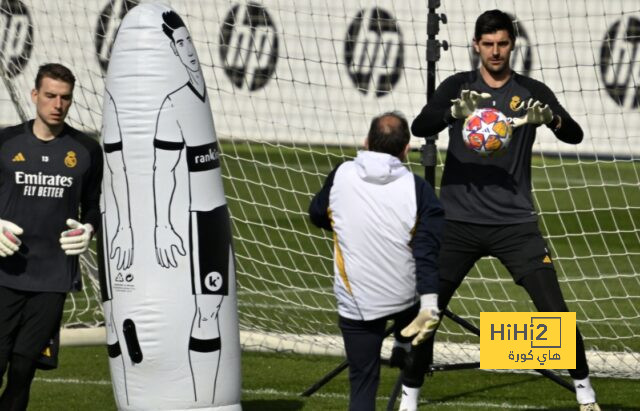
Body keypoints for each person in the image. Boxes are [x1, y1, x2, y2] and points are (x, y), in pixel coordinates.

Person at [410, 9, 599, 411]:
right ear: (476, 45)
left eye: (503, 44)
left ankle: (586, 395)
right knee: (427, 311)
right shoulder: (459, 87)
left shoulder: (531, 90)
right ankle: (409, 400)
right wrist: (451, 114)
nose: (495, 52)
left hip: (515, 223)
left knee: (553, 311)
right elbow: (419, 126)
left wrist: (553, 121)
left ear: (512, 45)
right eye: (488, 44)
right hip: (457, 222)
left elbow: (575, 134)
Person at [309, 112, 445, 411]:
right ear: (406, 149)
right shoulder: (418, 189)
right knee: (411, 301)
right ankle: (403, 344)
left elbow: (316, 214)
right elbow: (427, 251)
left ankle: (401, 343)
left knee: (362, 382)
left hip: (357, 303)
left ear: (366, 142)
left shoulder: (341, 174)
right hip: (404, 298)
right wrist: (430, 302)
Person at [0, 63, 102, 410]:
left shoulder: (87, 150)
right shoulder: (4, 142)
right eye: (50, 96)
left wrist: (89, 229)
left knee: (24, 368)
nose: (57, 104)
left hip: (53, 278)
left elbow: (93, 206)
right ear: (34, 96)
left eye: (65, 98)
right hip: (4, 273)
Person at [152, 10, 231, 403]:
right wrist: (163, 227)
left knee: (213, 309)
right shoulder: (172, 103)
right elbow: (162, 171)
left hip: (216, 216)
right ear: (172, 51)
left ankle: (209, 398)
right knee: (203, 311)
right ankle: (200, 397)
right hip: (194, 220)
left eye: (189, 41)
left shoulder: (203, 99)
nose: (188, 50)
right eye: (179, 44)